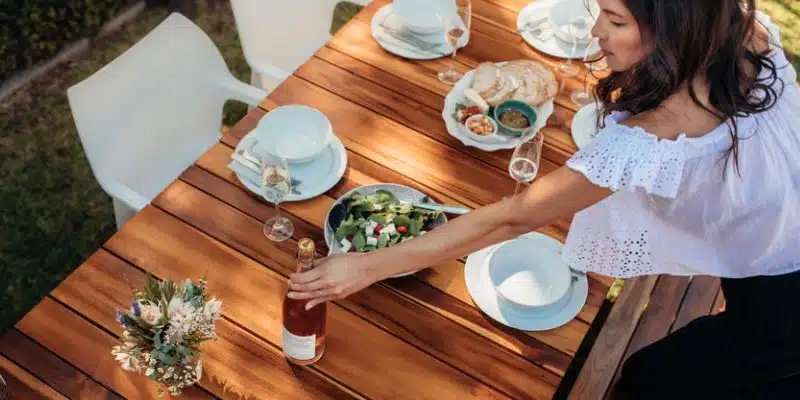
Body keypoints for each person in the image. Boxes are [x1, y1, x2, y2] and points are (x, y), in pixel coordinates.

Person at [289, 0, 800, 397]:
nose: (596, 31)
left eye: (615, 20)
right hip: (775, 248)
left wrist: (367, 267)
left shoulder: (656, 134)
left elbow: (509, 220)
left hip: (782, 302)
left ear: (673, 28)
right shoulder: (738, 31)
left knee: (649, 379)